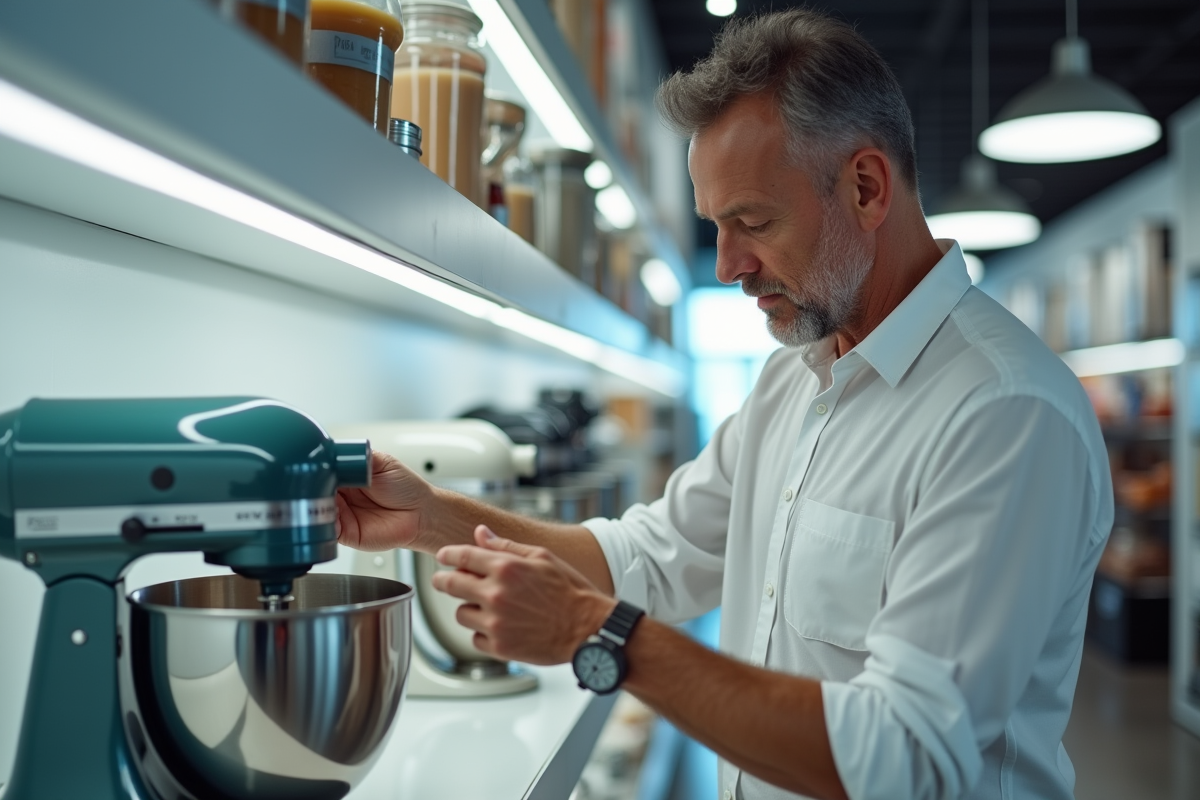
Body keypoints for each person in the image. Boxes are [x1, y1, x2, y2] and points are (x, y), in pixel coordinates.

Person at [336, 9, 1113, 800]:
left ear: (867, 188)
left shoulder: (1004, 412)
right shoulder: (795, 381)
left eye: (752, 222)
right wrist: (429, 516)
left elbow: (903, 753)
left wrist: (589, 632)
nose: (729, 265)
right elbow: (649, 558)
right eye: (717, 226)